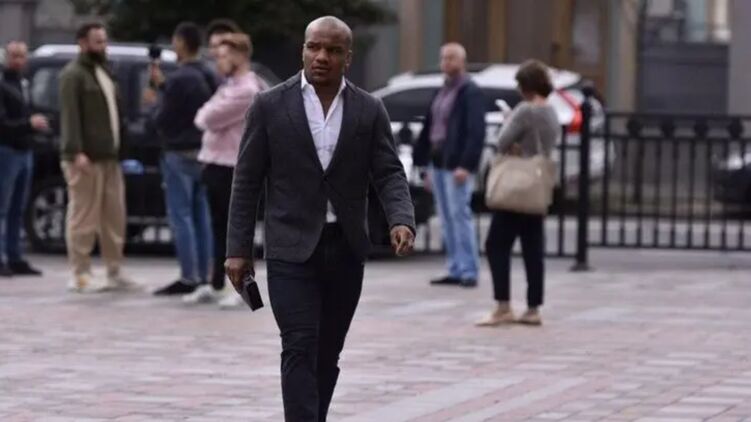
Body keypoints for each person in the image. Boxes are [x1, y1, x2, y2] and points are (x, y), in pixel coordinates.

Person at [225, 16, 416, 422]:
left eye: (332, 50)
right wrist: (237, 250)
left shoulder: (368, 109)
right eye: (314, 47)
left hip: (345, 248)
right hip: (290, 248)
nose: (321, 56)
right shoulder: (270, 105)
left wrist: (401, 219)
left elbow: (388, 172)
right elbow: (246, 181)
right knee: (298, 344)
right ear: (303, 50)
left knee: (328, 352)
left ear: (348, 57)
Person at [183, 33, 264, 308]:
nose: (219, 62)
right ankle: (217, 283)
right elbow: (203, 115)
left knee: (236, 231)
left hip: (232, 167)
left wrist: (210, 114)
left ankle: (242, 289)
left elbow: (207, 118)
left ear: (240, 55)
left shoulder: (246, 90)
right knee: (218, 228)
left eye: (224, 56)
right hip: (215, 164)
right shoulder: (228, 85)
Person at [476, 60, 560, 327]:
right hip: (536, 187)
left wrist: (508, 121)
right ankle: (533, 308)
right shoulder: (551, 112)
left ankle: (503, 306)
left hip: (515, 187)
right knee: (533, 249)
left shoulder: (525, 111)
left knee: (496, 245)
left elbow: (502, 141)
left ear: (525, 86)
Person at [59, 22, 135, 292]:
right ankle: (79, 273)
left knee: (114, 216)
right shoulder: (73, 75)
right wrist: (76, 150)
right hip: (85, 158)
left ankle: (114, 270)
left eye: (104, 40)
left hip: (109, 157)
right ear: (83, 43)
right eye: (98, 41)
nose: (103, 46)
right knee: (84, 217)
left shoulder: (104, 72)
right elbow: (70, 116)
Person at [147, 22, 219, 296]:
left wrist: (154, 102)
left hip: (178, 151)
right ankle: (205, 274)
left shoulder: (180, 78)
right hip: (204, 151)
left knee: (181, 215)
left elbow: (162, 118)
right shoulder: (208, 73)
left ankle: (189, 276)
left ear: (180, 42)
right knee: (202, 214)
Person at [413, 43, 485, 288]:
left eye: (452, 57)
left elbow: (476, 132)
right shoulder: (442, 91)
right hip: (438, 162)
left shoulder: (469, 91)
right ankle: (454, 267)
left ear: (462, 61)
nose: (446, 62)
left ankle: (468, 270)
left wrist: (466, 164)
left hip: (456, 164)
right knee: (445, 218)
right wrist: (422, 163)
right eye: (444, 57)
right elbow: (430, 127)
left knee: (460, 216)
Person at [0, 41, 48, 277]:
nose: (18, 60)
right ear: (6, 57)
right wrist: (28, 124)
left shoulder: (24, 84)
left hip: (24, 150)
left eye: (22, 56)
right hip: (7, 150)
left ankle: (15, 256)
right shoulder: (3, 85)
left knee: (18, 207)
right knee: (2, 206)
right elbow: (2, 125)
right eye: (14, 56)